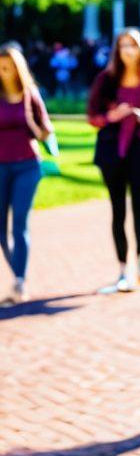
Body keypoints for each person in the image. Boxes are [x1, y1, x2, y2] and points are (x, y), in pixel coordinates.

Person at [87, 29, 140, 293]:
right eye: (123, 45)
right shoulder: (106, 80)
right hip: (112, 150)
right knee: (118, 209)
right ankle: (123, 269)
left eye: (132, 45)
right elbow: (93, 116)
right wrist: (112, 116)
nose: (127, 51)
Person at [0, 43, 53, 306]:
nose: (3, 71)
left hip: (27, 165)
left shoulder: (30, 94)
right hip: (0, 166)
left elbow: (46, 131)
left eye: (7, 66)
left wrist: (31, 124)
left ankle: (19, 280)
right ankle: (17, 274)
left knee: (19, 222)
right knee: (1, 228)